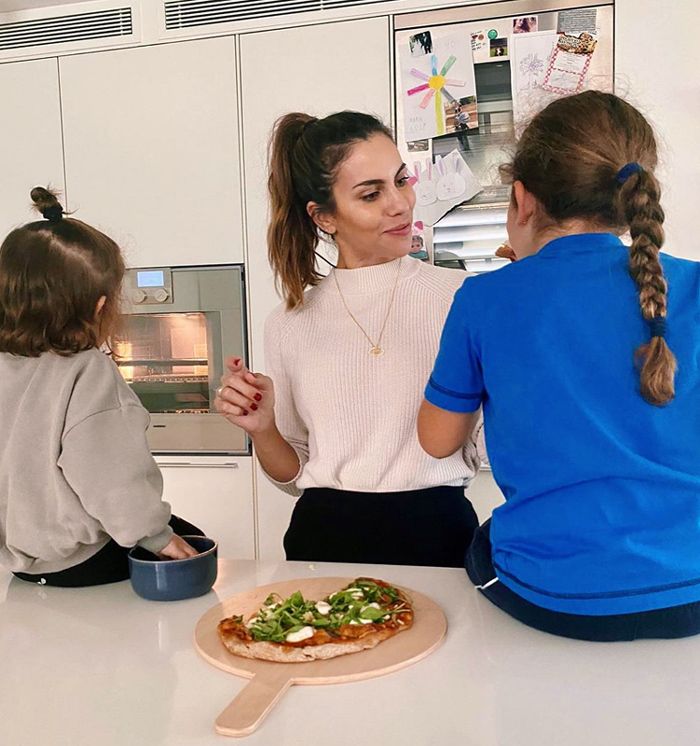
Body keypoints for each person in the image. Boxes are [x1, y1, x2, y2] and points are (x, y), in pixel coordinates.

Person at [417, 90, 700, 641]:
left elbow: (436, 441)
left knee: (484, 540)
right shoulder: (693, 285)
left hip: (553, 599)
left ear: (522, 200)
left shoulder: (485, 299)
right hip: (690, 590)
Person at [215, 111, 481, 567]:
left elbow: (485, 438)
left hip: (438, 529)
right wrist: (262, 429)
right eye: (371, 193)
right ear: (324, 217)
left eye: (402, 180)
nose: (399, 204)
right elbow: (293, 470)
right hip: (324, 534)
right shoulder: (289, 321)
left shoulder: (464, 296)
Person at [0, 187, 202, 587]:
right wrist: (159, 538)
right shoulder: (86, 371)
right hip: (84, 560)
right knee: (191, 541)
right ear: (98, 306)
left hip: (23, 563)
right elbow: (111, 476)